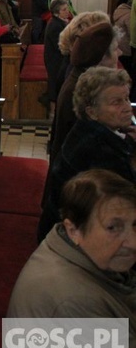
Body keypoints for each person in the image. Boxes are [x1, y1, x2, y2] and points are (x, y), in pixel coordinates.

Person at [9, 170, 136, 348]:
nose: (133, 242)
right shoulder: (74, 301)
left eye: (135, 225)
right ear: (73, 230)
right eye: (113, 228)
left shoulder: (72, 246)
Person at [39, 67, 136, 241]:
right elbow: (128, 202)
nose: (127, 107)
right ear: (92, 112)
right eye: (116, 102)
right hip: (72, 239)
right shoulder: (99, 150)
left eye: (127, 98)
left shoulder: (88, 130)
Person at [50, 20, 118, 162]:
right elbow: (91, 145)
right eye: (116, 49)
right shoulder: (82, 89)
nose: (121, 53)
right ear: (101, 58)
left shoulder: (81, 78)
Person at [43, 0, 70, 105]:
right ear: (56, 12)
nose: (67, 11)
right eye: (64, 10)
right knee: (56, 83)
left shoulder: (59, 22)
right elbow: (60, 46)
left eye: (67, 9)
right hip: (55, 60)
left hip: (57, 58)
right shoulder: (55, 25)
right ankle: (54, 103)